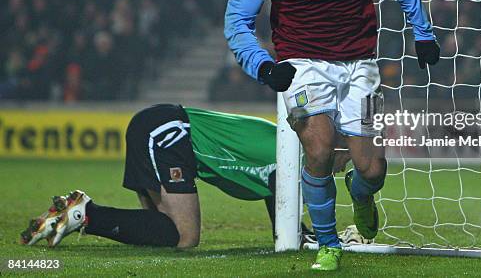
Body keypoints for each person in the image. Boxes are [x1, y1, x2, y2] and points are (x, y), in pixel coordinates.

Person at [224, 0, 439, 271]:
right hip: (301, 64)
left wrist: (423, 31)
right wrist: (264, 66)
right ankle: (327, 242)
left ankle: (361, 194)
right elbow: (237, 21)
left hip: (361, 63)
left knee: (372, 169)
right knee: (319, 149)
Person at [21, 104, 340, 248]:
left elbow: (278, 206)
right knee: (184, 237)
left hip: (161, 130)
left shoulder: (285, 144)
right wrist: (318, 237)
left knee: (161, 233)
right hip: (169, 134)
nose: (341, 167)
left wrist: (302, 235)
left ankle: (82, 214)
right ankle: (85, 212)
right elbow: (281, 213)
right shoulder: (291, 153)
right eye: (344, 157)